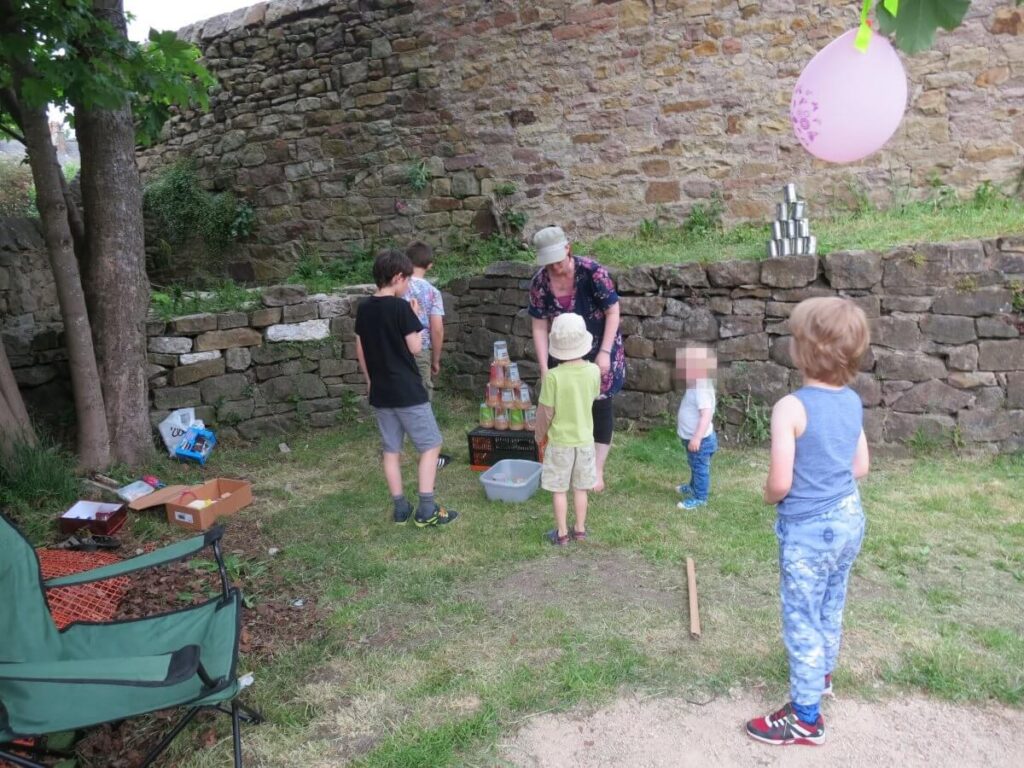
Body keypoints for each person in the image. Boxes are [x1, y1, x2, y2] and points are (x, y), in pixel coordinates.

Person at [745, 297, 870, 747]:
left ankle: (805, 717)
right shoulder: (853, 401)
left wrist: (767, 495)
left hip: (809, 530)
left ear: (801, 352)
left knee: (801, 616)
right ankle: (822, 675)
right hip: (850, 517)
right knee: (831, 603)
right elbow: (860, 467)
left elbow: (780, 482)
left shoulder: (791, 408)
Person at [354, 249, 458, 528]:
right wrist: (414, 315)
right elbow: (414, 347)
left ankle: (400, 509)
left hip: (381, 391)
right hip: (408, 391)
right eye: (407, 280)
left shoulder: (364, 307)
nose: (409, 286)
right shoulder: (401, 307)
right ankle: (427, 509)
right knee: (431, 445)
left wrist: (369, 380)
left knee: (391, 451)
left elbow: (360, 347)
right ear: (398, 277)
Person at [529, 225, 624, 493]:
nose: (554, 268)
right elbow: (538, 326)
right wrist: (544, 367)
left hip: (600, 348)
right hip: (563, 351)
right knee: (568, 407)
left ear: (568, 249)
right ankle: (570, 463)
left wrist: (604, 353)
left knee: (600, 405)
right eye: (548, 264)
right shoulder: (539, 283)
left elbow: (613, 312)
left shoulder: (593, 272)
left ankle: (596, 470)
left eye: (557, 262)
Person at [533, 313, 601, 546]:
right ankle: (580, 529)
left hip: (559, 443)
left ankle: (562, 533)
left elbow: (545, 413)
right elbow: (591, 397)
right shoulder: (594, 371)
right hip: (584, 441)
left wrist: (538, 435)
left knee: (559, 490)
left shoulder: (552, 377)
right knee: (581, 488)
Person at [404, 240, 451, 468]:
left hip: (396, 350)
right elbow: (437, 328)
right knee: (422, 398)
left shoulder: (397, 286)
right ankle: (429, 452)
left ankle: (399, 445)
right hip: (419, 348)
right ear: (429, 265)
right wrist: (435, 359)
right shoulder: (432, 292)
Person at [675, 344, 718, 510]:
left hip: (701, 440)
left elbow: (706, 415)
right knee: (694, 464)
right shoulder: (695, 385)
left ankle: (700, 497)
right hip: (693, 439)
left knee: (700, 469)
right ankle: (693, 487)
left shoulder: (702, 388)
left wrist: (697, 437)